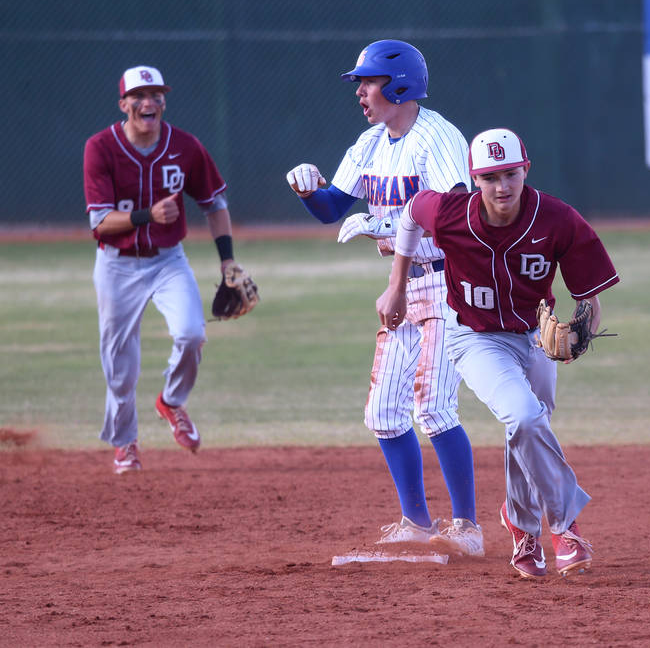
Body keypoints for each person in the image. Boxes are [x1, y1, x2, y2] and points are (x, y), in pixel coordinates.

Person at [376, 128, 620, 579]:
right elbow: (409, 213)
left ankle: (520, 525)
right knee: (524, 416)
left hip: (534, 336)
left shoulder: (557, 218)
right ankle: (565, 528)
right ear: (474, 179)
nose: (502, 187)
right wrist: (397, 287)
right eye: (489, 178)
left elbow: (590, 296)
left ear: (526, 170)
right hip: (475, 338)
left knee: (528, 427)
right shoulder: (450, 213)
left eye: (510, 174)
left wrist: (586, 327)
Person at [284, 40, 482, 556]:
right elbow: (332, 208)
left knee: (434, 406)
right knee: (385, 412)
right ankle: (416, 523)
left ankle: (467, 528)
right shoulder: (372, 143)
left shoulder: (435, 138)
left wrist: (389, 231)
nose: (361, 92)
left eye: (368, 82)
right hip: (405, 283)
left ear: (398, 86)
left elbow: (455, 211)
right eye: (361, 83)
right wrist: (309, 191)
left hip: (446, 280)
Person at [83, 65, 244, 474]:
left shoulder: (185, 147)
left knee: (192, 333)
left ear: (164, 101)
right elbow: (100, 223)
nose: (148, 101)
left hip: (167, 260)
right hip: (116, 265)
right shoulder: (100, 147)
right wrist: (147, 215)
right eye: (138, 95)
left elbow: (215, 204)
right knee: (120, 366)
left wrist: (227, 261)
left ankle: (171, 402)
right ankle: (124, 444)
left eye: (155, 94)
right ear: (124, 105)